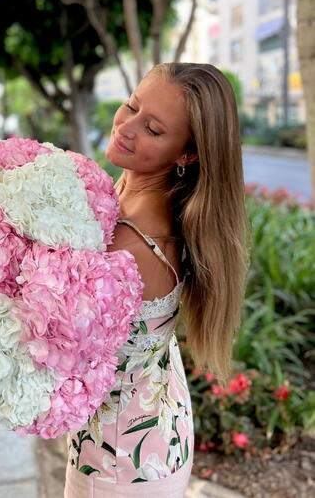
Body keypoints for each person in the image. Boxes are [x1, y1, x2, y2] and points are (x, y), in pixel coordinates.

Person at [63, 62, 250, 497]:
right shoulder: (128, 192)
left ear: (187, 155)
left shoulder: (131, 244)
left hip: (118, 466)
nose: (126, 127)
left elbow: (53, 346)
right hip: (152, 430)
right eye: (130, 106)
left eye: (153, 129)